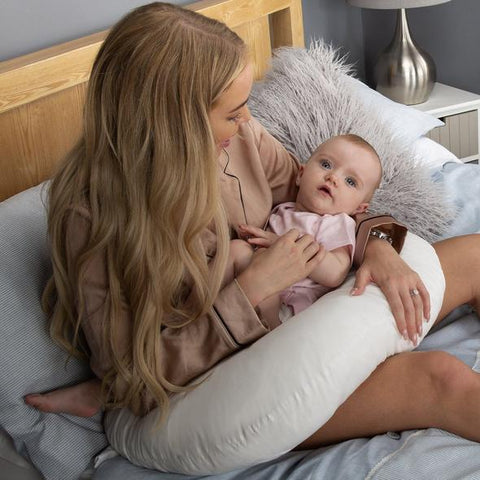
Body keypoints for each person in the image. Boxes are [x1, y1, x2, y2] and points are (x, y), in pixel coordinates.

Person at [24, 2, 480, 452]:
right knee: (439, 378)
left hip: (304, 312)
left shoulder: (239, 139)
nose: (247, 121)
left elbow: (321, 198)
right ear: (174, 123)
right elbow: (134, 375)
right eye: (233, 112)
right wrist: (253, 286)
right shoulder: (94, 220)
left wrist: (378, 248)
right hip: (224, 374)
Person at [228, 133, 382, 322]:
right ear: (301, 174)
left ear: (358, 208)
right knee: (236, 249)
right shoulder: (282, 208)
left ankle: (271, 332)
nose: (333, 177)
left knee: (264, 285)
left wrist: (278, 243)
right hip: (254, 286)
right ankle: (198, 305)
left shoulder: (336, 223)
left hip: (288, 307)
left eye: (350, 181)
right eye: (326, 164)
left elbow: (335, 273)